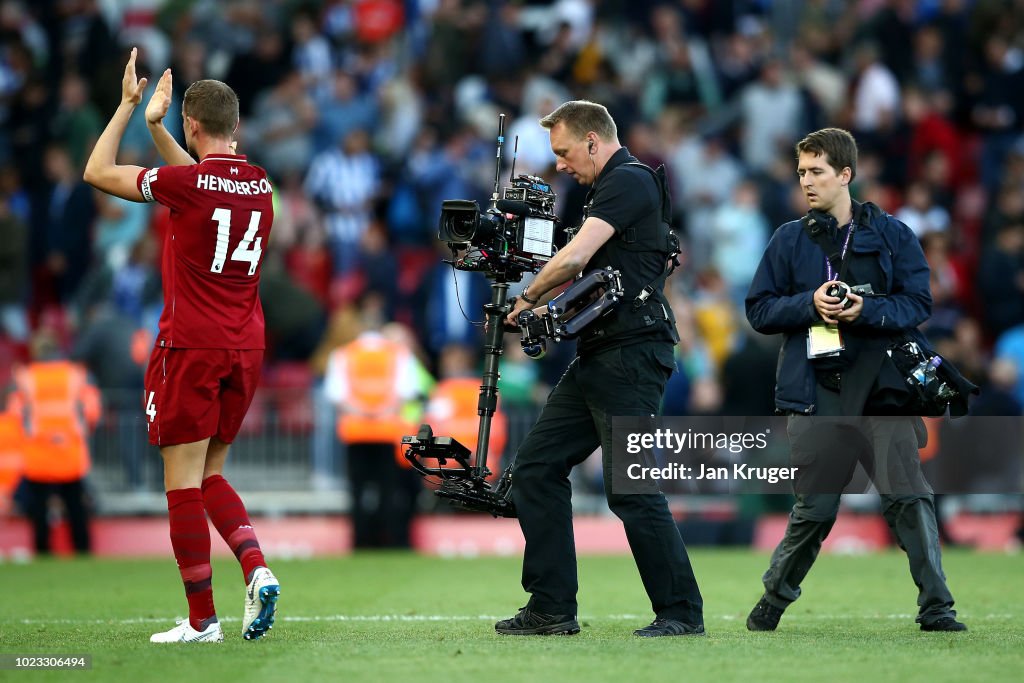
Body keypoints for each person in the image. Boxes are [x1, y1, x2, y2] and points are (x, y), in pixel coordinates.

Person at [83, 49, 279, 643]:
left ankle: (203, 622)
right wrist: (159, 130)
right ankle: (257, 568)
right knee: (210, 472)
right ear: (236, 126)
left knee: (180, 484)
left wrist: (127, 108)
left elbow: (97, 171)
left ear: (193, 126)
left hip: (191, 344)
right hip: (245, 345)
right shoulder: (262, 184)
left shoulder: (189, 183)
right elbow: (202, 183)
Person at [744, 127, 966, 633]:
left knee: (908, 497)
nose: (806, 181)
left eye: (816, 171)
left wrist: (866, 308)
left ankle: (938, 608)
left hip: (884, 388)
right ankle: (772, 600)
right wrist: (809, 304)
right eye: (801, 172)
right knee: (816, 510)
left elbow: (920, 304)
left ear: (845, 174)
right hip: (817, 390)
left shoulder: (893, 233)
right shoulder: (788, 238)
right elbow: (758, 309)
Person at [500, 100, 704, 637]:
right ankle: (551, 608)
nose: (560, 164)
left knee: (631, 487)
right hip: (600, 353)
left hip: (633, 354)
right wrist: (543, 309)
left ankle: (681, 612)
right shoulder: (601, 190)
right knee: (536, 469)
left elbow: (570, 261)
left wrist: (524, 300)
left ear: (594, 141)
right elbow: (589, 280)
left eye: (564, 152)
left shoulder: (630, 181)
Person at [8, 332, 101, 555]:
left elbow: (14, 414)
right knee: (75, 506)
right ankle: (83, 550)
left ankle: (42, 551)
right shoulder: (76, 375)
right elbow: (92, 409)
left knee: (39, 508)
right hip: (70, 452)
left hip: (38, 454)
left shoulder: (25, 378)